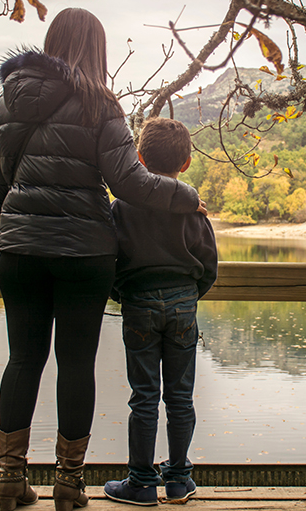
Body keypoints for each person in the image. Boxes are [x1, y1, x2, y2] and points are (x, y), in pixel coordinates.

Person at [0, 9, 205, 511]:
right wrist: (187, 196)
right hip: (84, 253)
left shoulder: (7, 101)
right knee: (76, 363)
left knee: (22, 359)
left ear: (49, 42)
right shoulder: (100, 104)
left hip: (19, 252)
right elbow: (130, 183)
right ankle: (69, 482)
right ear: (97, 50)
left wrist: (10, 238)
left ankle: (9, 479)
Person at [103, 118, 218, 506]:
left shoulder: (121, 207)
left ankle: (140, 483)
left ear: (138, 158)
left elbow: (110, 261)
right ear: (185, 163)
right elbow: (209, 265)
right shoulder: (193, 208)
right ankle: (178, 480)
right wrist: (188, 295)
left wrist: (126, 292)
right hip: (184, 304)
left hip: (139, 303)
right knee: (181, 397)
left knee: (145, 396)